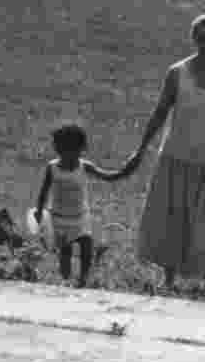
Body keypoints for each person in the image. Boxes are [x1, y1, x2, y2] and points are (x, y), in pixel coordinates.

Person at [125, 13, 205, 297]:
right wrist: (140, 149)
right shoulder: (177, 72)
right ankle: (168, 281)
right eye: (201, 39)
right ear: (194, 40)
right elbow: (159, 113)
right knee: (173, 217)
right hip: (176, 155)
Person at [34, 122, 132, 287]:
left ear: (80, 150)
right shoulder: (52, 168)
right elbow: (44, 191)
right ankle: (65, 280)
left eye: (72, 151)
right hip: (59, 218)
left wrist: (123, 172)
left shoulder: (84, 166)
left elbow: (107, 176)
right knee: (65, 252)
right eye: (62, 150)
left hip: (80, 217)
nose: (67, 155)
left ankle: (83, 279)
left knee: (86, 245)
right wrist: (39, 210)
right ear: (57, 149)